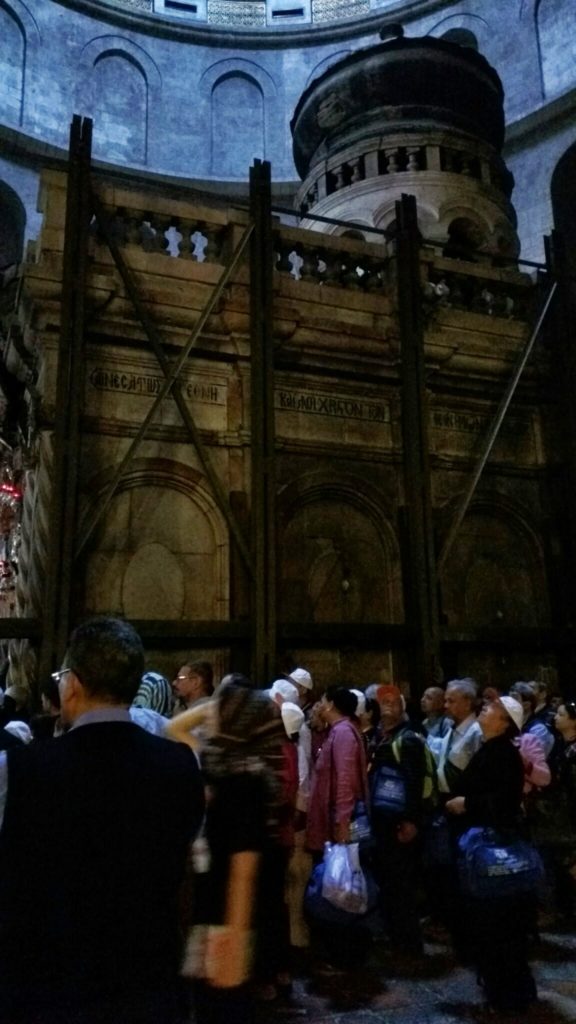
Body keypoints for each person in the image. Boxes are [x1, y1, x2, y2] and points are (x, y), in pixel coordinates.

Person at [0, 616, 205, 1024]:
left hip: (49, 987)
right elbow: (185, 866)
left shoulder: (22, 768)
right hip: (148, 985)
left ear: (72, 683)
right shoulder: (180, 766)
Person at [179, 683, 285, 1023]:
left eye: (216, 716)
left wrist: (232, 945)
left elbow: (244, 866)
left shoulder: (242, 784)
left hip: (226, 925)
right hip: (216, 916)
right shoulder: (227, 774)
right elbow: (175, 729)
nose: (208, 720)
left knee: (224, 1009)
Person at [445, 695, 538, 1014]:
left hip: (493, 851)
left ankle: (508, 997)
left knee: (499, 928)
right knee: (498, 928)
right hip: (486, 846)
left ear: (503, 722)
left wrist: (466, 804)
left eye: (488, 709)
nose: (482, 712)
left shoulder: (501, 754)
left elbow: (503, 801)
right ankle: (507, 991)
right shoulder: (493, 749)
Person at [371, 684, 428, 956]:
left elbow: (414, 782)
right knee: (391, 881)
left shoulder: (408, 739)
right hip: (383, 820)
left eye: (393, 701)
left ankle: (409, 945)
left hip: (398, 821)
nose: (387, 705)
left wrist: (411, 820)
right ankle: (396, 936)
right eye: (383, 701)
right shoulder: (383, 736)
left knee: (402, 884)